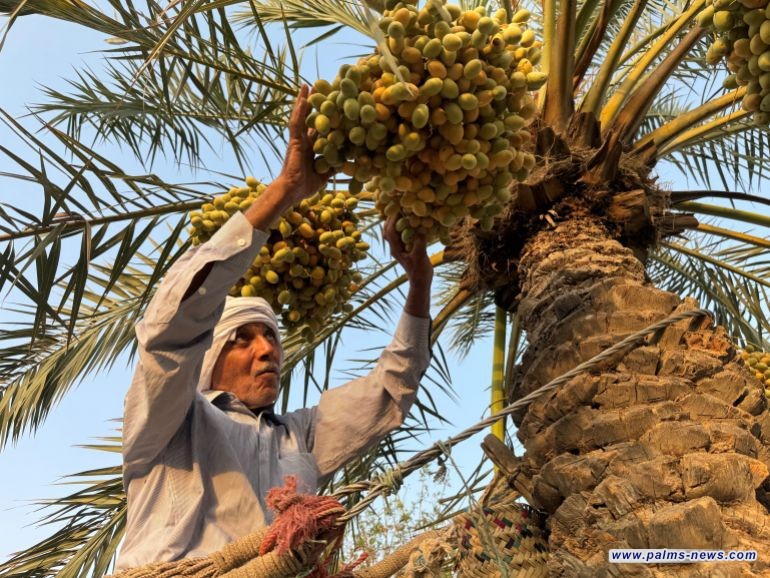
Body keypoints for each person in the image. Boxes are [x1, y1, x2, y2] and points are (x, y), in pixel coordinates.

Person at [116, 85, 434, 570]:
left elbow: (390, 391)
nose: (267, 350)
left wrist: (419, 282)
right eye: (242, 339)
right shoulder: (170, 420)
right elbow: (172, 326)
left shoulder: (300, 437)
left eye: (271, 337)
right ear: (208, 354)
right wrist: (285, 190)